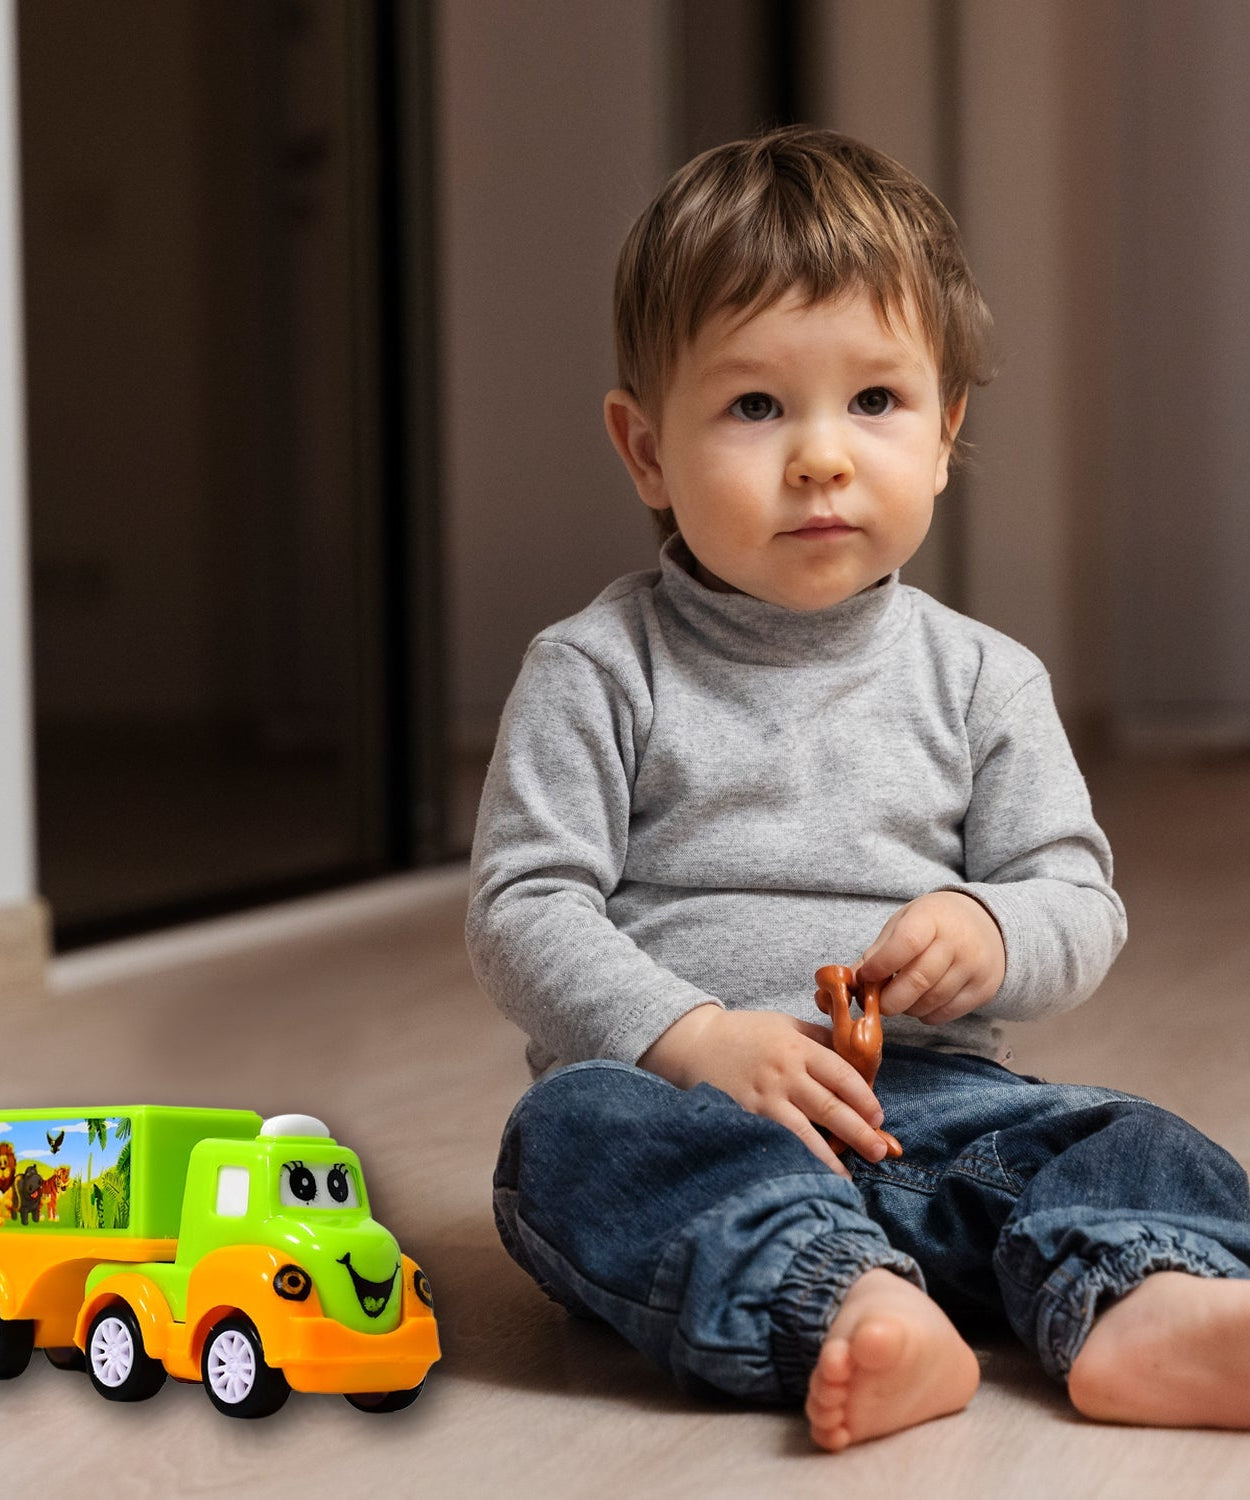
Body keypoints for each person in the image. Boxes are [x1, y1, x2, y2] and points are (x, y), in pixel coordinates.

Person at [466, 127, 1250, 1452]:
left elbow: (1075, 896)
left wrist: (991, 928)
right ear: (645, 449)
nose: (821, 456)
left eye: (875, 400)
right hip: (699, 1116)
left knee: (1131, 1139)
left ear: (945, 433)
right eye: (755, 407)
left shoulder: (982, 678)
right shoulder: (598, 670)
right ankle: (848, 1305)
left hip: (937, 1113)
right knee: (566, 1137)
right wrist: (693, 1038)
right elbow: (523, 909)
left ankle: (1144, 1307)